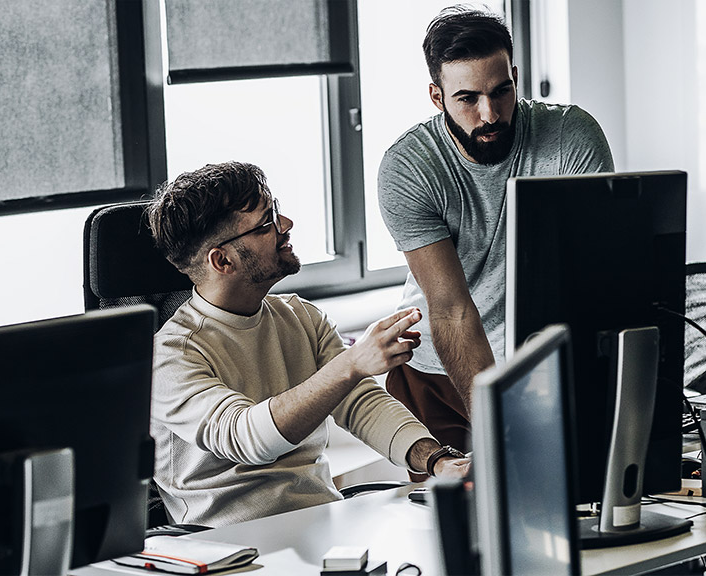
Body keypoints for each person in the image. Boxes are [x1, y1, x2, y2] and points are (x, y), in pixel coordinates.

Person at [145, 161, 470, 527]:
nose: (285, 226)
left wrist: (438, 461)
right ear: (223, 260)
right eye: (266, 224)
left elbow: (361, 402)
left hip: (320, 523)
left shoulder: (300, 317)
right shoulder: (171, 355)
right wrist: (350, 365)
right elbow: (246, 438)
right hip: (229, 546)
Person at [378, 4, 615, 466]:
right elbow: (450, 310)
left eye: (501, 91)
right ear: (436, 95)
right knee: (462, 523)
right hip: (438, 375)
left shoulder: (571, 136)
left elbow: (591, 274)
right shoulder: (408, 169)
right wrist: (498, 423)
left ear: (516, 77)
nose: (489, 114)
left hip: (539, 366)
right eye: (467, 98)